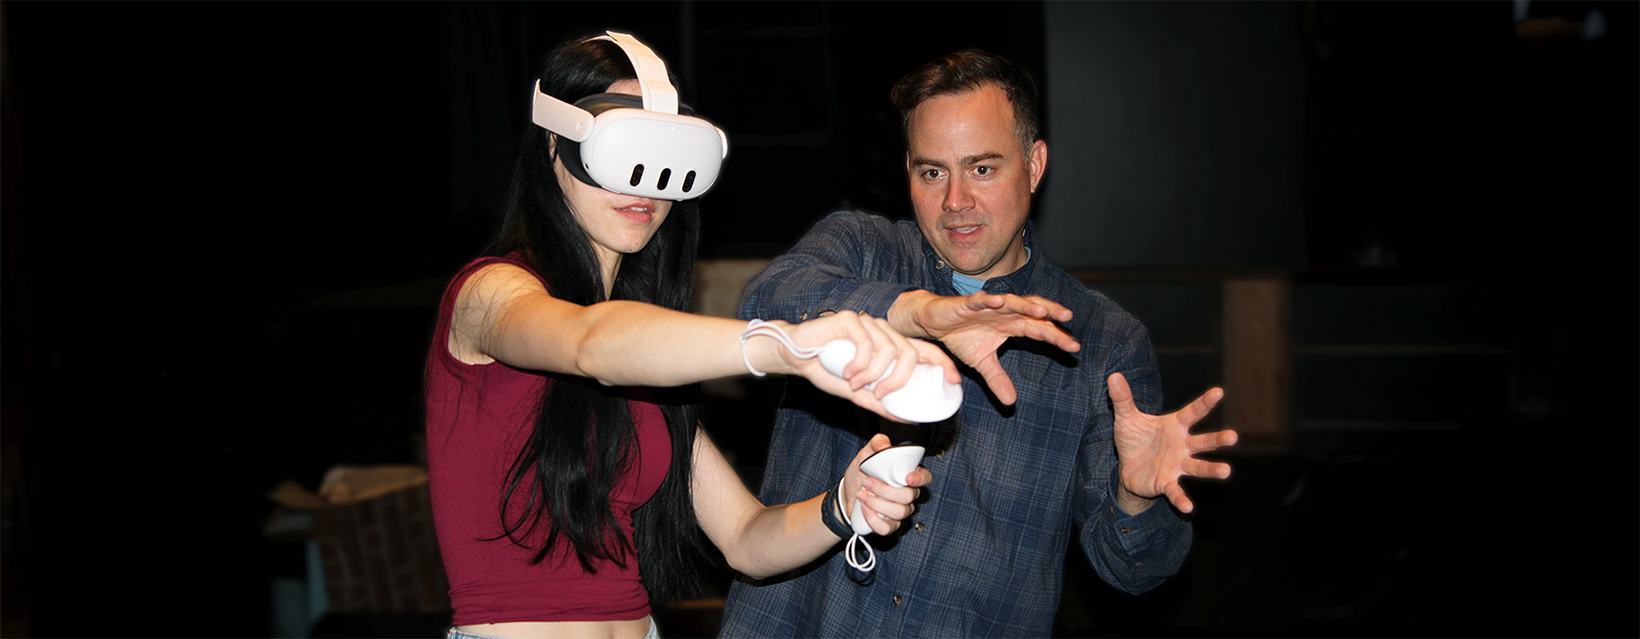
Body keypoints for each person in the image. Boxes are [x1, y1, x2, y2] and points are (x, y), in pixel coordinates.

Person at [424, 31, 958, 639]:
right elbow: (587, 343)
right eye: (622, 147)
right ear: (555, 144)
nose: (644, 183)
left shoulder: (647, 355)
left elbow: (746, 539)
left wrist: (844, 504)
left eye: (667, 153)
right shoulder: (488, 295)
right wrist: (789, 345)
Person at [718, 49, 1239, 637]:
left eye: (983, 169)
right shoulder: (861, 250)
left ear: (1034, 166)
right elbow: (762, 308)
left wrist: (1134, 496)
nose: (955, 201)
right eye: (932, 173)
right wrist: (918, 313)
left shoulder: (1102, 342)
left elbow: (1134, 572)